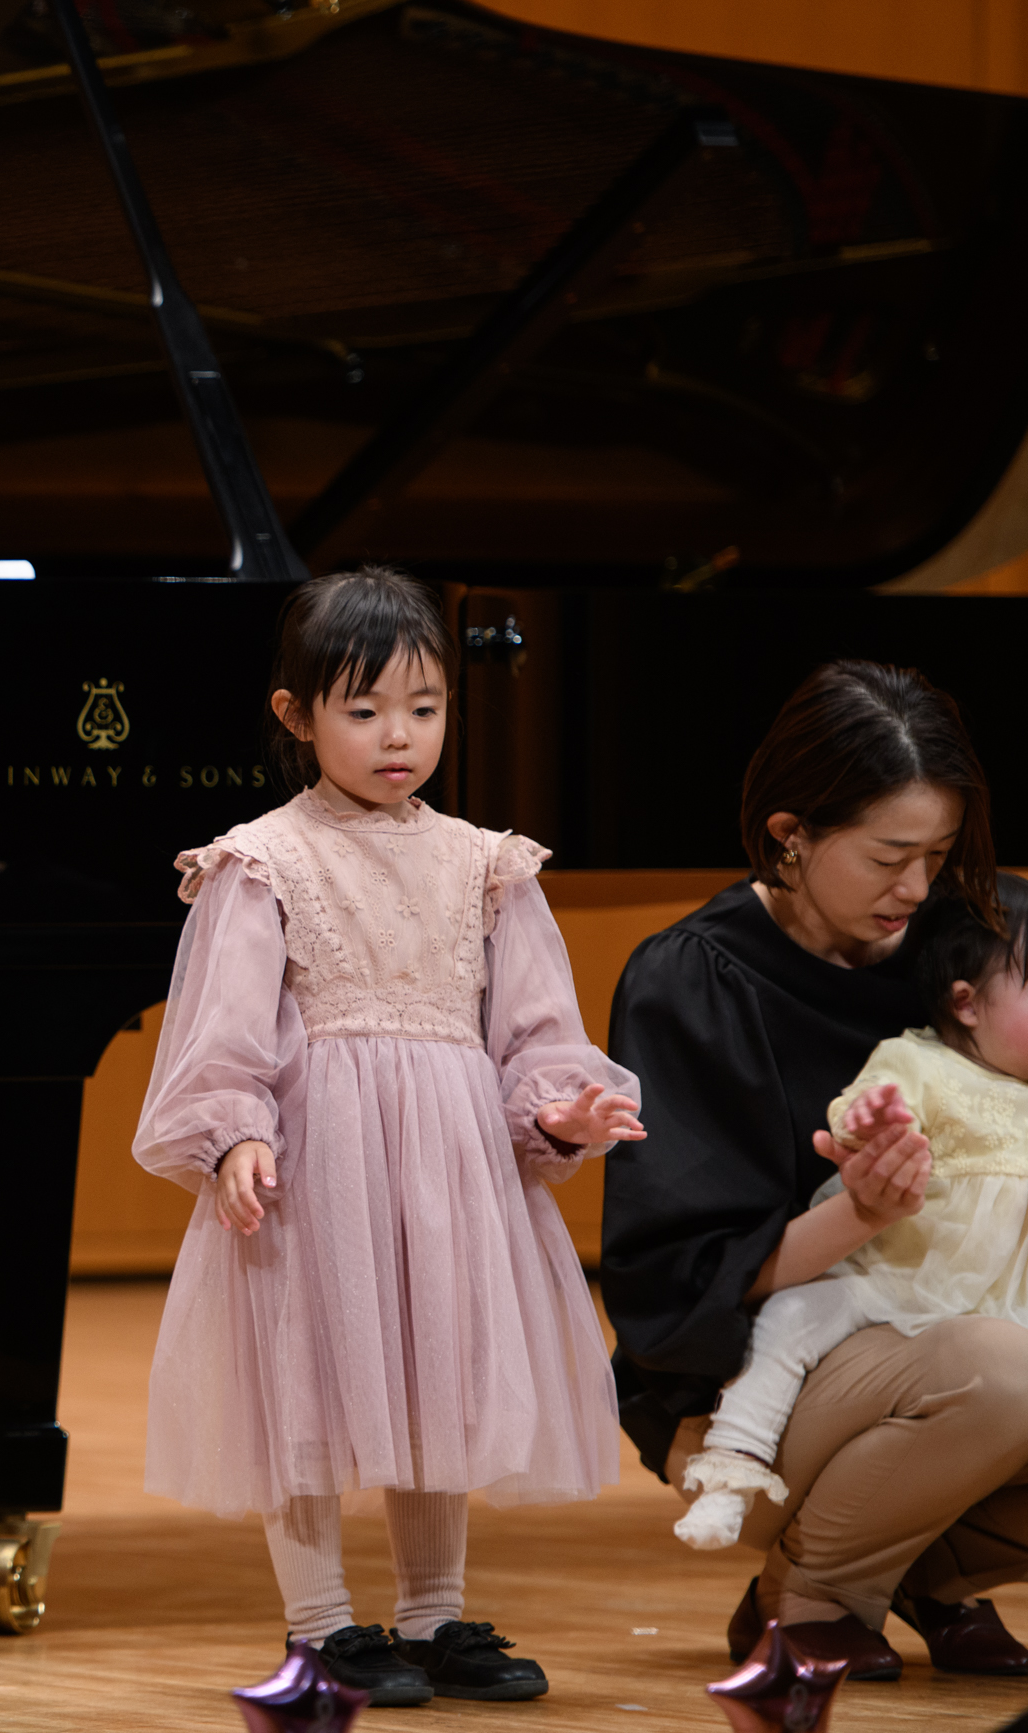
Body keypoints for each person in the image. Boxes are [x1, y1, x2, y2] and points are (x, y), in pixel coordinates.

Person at [135, 566, 643, 1708]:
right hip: (318, 1163)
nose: (395, 735)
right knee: (306, 1370)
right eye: (360, 710)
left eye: (421, 706)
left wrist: (559, 1106)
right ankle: (321, 1619)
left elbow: (532, 1028)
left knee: (439, 1364)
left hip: (447, 1163)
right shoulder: (259, 860)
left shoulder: (486, 863)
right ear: (295, 715)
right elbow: (221, 1029)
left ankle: (433, 1612)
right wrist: (230, 1137)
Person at [603, 660, 1028, 1683]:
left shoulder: (965, 954)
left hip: (986, 1327)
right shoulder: (691, 978)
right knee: (1006, 1372)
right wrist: (860, 1208)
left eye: (938, 854)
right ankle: (811, 1589)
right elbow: (674, 1288)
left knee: (1017, 1365)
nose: (914, 888)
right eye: (886, 855)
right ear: (790, 834)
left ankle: (914, 1567)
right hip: (764, 1374)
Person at [674, 875, 1028, 1552]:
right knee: (787, 1320)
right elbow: (868, 1109)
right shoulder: (917, 1059)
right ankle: (733, 1469)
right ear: (968, 1003)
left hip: (1026, 1296)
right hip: (901, 1277)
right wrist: (872, 1119)